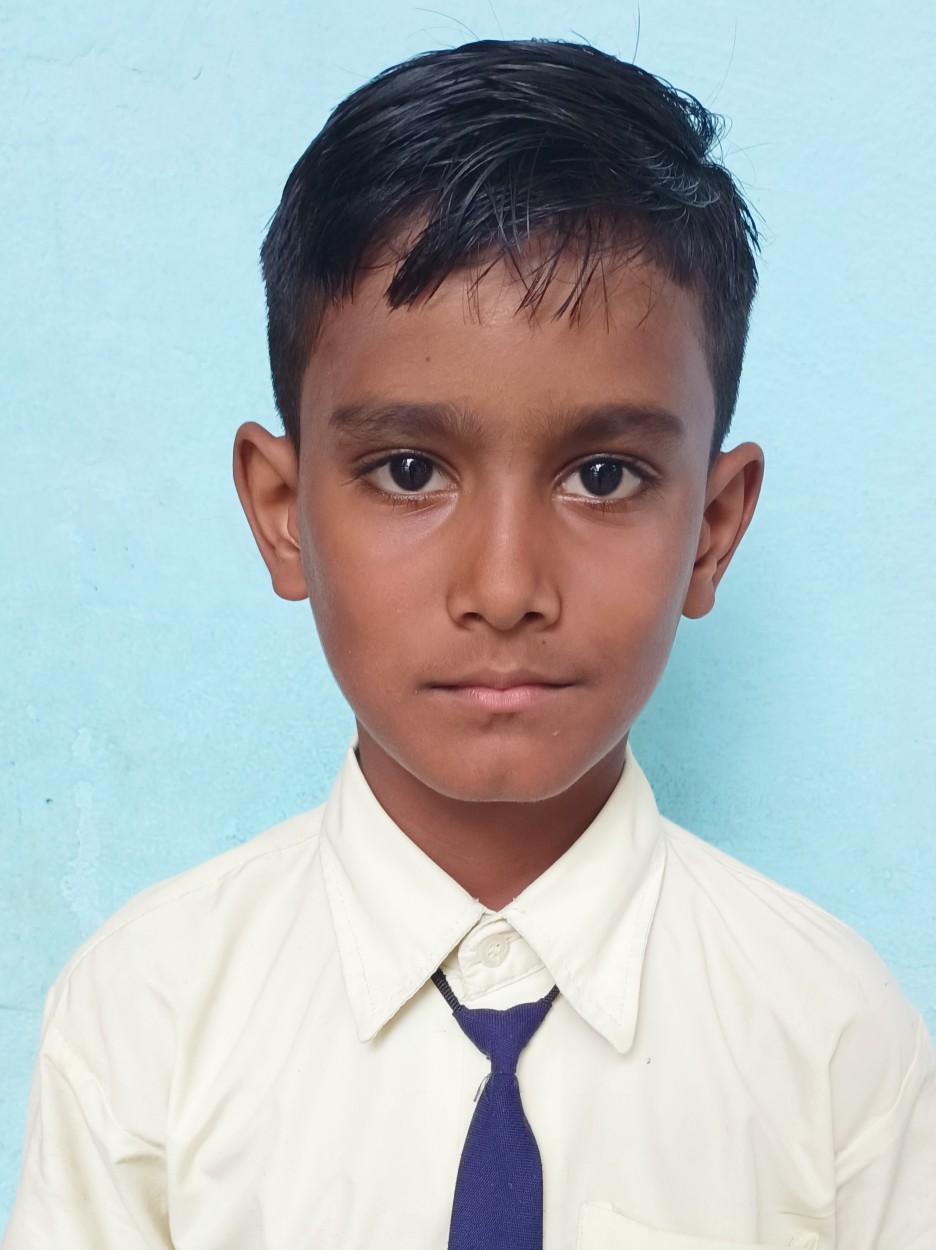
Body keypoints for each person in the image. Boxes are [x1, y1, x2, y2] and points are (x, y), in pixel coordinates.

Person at [4, 38, 934, 1250]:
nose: (504, 588)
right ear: (283, 514)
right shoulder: (144, 1019)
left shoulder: (833, 1040)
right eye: (408, 470)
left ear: (712, 528)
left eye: (604, 475)